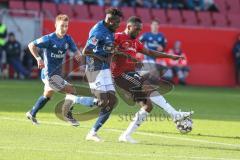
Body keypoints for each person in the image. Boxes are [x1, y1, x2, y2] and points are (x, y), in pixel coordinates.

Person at [111, 16, 193, 143]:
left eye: (140, 30)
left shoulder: (136, 42)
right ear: (128, 27)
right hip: (120, 75)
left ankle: (126, 135)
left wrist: (170, 56)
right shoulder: (117, 37)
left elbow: (150, 52)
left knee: (148, 106)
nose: (139, 32)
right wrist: (121, 54)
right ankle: (175, 114)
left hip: (130, 75)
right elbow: (109, 50)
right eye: (136, 29)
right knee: (147, 85)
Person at [26, 14, 96, 126]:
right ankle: (67, 114)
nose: (64, 28)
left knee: (47, 95)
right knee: (71, 90)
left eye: (66, 26)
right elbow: (31, 45)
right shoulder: (48, 39)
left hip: (56, 75)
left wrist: (78, 55)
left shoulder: (67, 39)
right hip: (49, 75)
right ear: (56, 25)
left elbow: (76, 51)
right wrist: (39, 58)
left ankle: (32, 113)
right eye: (62, 26)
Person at [81, 8, 123, 142]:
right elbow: (85, 51)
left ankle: (92, 133)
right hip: (94, 68)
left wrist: (111, 56)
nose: (118, 25)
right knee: (103, 101)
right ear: (110, 21)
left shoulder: (110, 30)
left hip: (104, 69)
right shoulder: (98, 31)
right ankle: (75, 98)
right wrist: (103, 58)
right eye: (117, 22)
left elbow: (107, 49)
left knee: (112, 101)